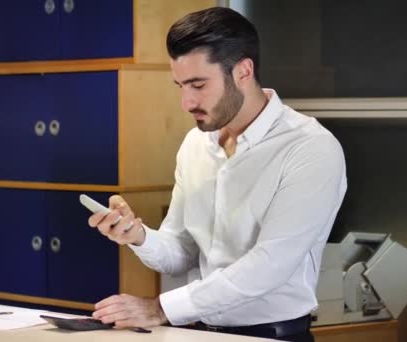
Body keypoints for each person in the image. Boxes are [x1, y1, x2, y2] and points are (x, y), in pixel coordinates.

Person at [88, 6, 347, 342]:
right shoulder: (196, 144)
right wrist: (137, 236)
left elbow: (269, 266)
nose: (186, 101)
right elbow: (181, 252)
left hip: (274, 336)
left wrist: (160, 308)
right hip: (203, 333)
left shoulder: (310, 148)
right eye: (180, 85)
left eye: (198, 84)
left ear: (243, 70)